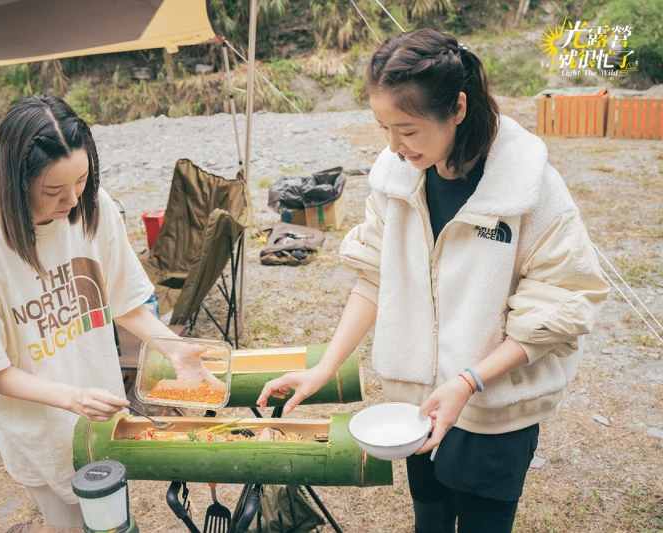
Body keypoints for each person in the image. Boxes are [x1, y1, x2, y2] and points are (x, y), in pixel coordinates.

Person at [257, 29, 609, 533]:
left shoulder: (529, 187)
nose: (394, 146)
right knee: (431, 522)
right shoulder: (395, 178)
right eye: (383, 128)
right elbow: (374, 279)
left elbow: (563, 301)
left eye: (407, 129)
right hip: (419, 406)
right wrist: (323, 369)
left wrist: (468, 382)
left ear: (458, 108)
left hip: (493, 410)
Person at [0, 95, 197, 526]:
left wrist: (174, 349)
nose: (73, 200)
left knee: (115, 522)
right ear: (14, 181)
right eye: (53, 191)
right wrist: (71, 398)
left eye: (81, 180)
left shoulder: (94, 208)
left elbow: (124, 301)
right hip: (40, 429)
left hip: (100, 418)